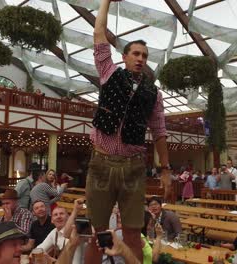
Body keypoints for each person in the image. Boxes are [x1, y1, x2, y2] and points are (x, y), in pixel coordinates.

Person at [87, 0, 170, 262]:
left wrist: (166, 170)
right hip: (101, 162)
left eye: (144, 56)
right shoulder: (108, 73)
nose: (140, 59)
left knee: (134, 234)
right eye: (136, 54)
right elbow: (99, 34)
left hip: (133, 167)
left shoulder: (154, 94)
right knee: (97, 234)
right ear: (124, 57)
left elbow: (159, 132)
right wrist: (106, 2)